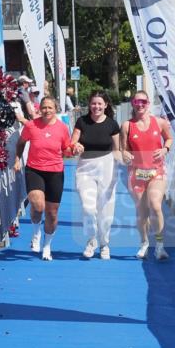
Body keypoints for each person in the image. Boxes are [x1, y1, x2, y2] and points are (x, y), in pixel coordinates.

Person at [14, 96, 73, 261]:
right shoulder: (31, 125)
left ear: (56, 109)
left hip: (55, 171)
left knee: (52, 213)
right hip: (34, 169)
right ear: (39, 108)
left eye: (50, 108)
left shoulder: (62, 128)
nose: (46, 110)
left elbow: (66, 150)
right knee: (38, 205)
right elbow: (21, 143)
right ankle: (36, 233)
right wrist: (17, 159)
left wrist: (73, 150)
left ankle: (47, 247)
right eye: (44, 107)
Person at [120, 90, 172, 260]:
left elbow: (169, 139)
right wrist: (125, 154)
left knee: (155, 205)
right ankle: (144, 243)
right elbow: (123, 149)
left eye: (143, 102)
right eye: (137, 102)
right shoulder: (127, 125)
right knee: (142, 212)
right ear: (133, 104)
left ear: (148, 103)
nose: (140, 105)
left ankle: (160, 245)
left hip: (157, 172)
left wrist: (165, 149)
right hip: (136, 173)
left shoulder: (160, 122)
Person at [69, 90, 120, 260]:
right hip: (85, 167)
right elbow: (73, 142)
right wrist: (76, 146)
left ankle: (104, 243)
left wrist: (126, 160)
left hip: (107, 166)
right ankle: (92, 240)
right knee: (88, 207)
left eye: (100, 103)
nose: (96, 106)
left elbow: (117, 149)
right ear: (89, 105)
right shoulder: (81, 121)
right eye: (93, 103)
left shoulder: (112, 124)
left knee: (106, 210)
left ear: (106, 105)